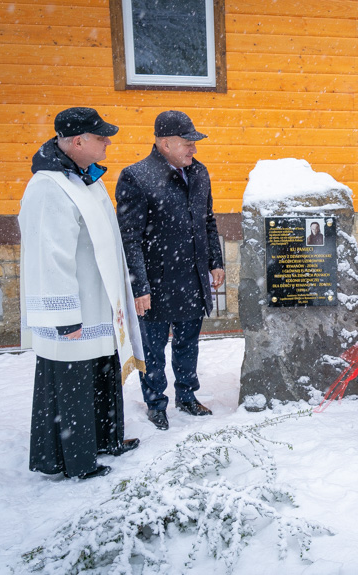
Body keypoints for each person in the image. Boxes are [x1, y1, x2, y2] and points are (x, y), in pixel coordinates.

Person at [19, 107, 143, 480]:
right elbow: (49, 254)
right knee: (72, 384)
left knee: (102, 373)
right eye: (101, 137)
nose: (107, 142)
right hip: (76, 311)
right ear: (77, 141)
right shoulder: (48, 187)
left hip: (99, 304)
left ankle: (106, 439)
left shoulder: (87, 179)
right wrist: (64, 315)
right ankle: (75, 460)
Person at [115, 110, 225, 431]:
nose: (194, 149)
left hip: (192, 278)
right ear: (164, 143)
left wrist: (215, 262)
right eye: (187, 143)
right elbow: (129, 237)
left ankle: (187, 396)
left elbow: (208, 220)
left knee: (188, 342)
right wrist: (139, 287)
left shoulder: (199, 173)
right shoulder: (136, 177)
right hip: (157, 282)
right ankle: (156, 403)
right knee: (153, 347)